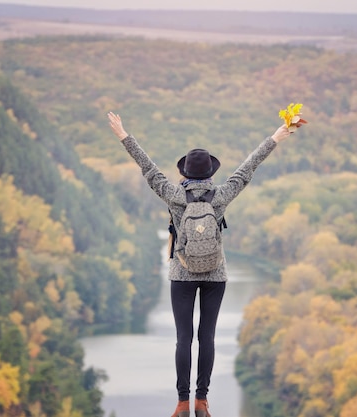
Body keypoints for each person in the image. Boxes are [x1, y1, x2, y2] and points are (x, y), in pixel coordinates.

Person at [107, 111, 292, 417]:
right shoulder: (220, 196)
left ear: (185, 173)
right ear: (209, 173)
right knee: (207, 337)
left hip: (181, 272)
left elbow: (148, 169)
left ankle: (181, 402)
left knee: (184, 337)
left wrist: (124, 136)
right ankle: (201, 401)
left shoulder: (174, 195)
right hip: (215, 274)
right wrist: (275, 137)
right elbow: (247, 169)